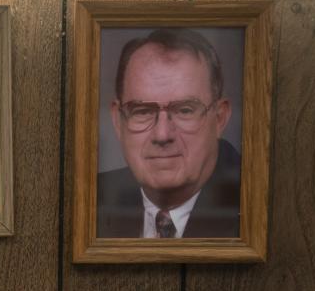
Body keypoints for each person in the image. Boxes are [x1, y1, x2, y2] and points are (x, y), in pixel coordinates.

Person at [97, 29, 241, 239]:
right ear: (118, 121)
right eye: (143, 111)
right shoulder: (87, 202)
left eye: (185, 110)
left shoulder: (257, 206)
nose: (162, 135)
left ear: (220, 118)